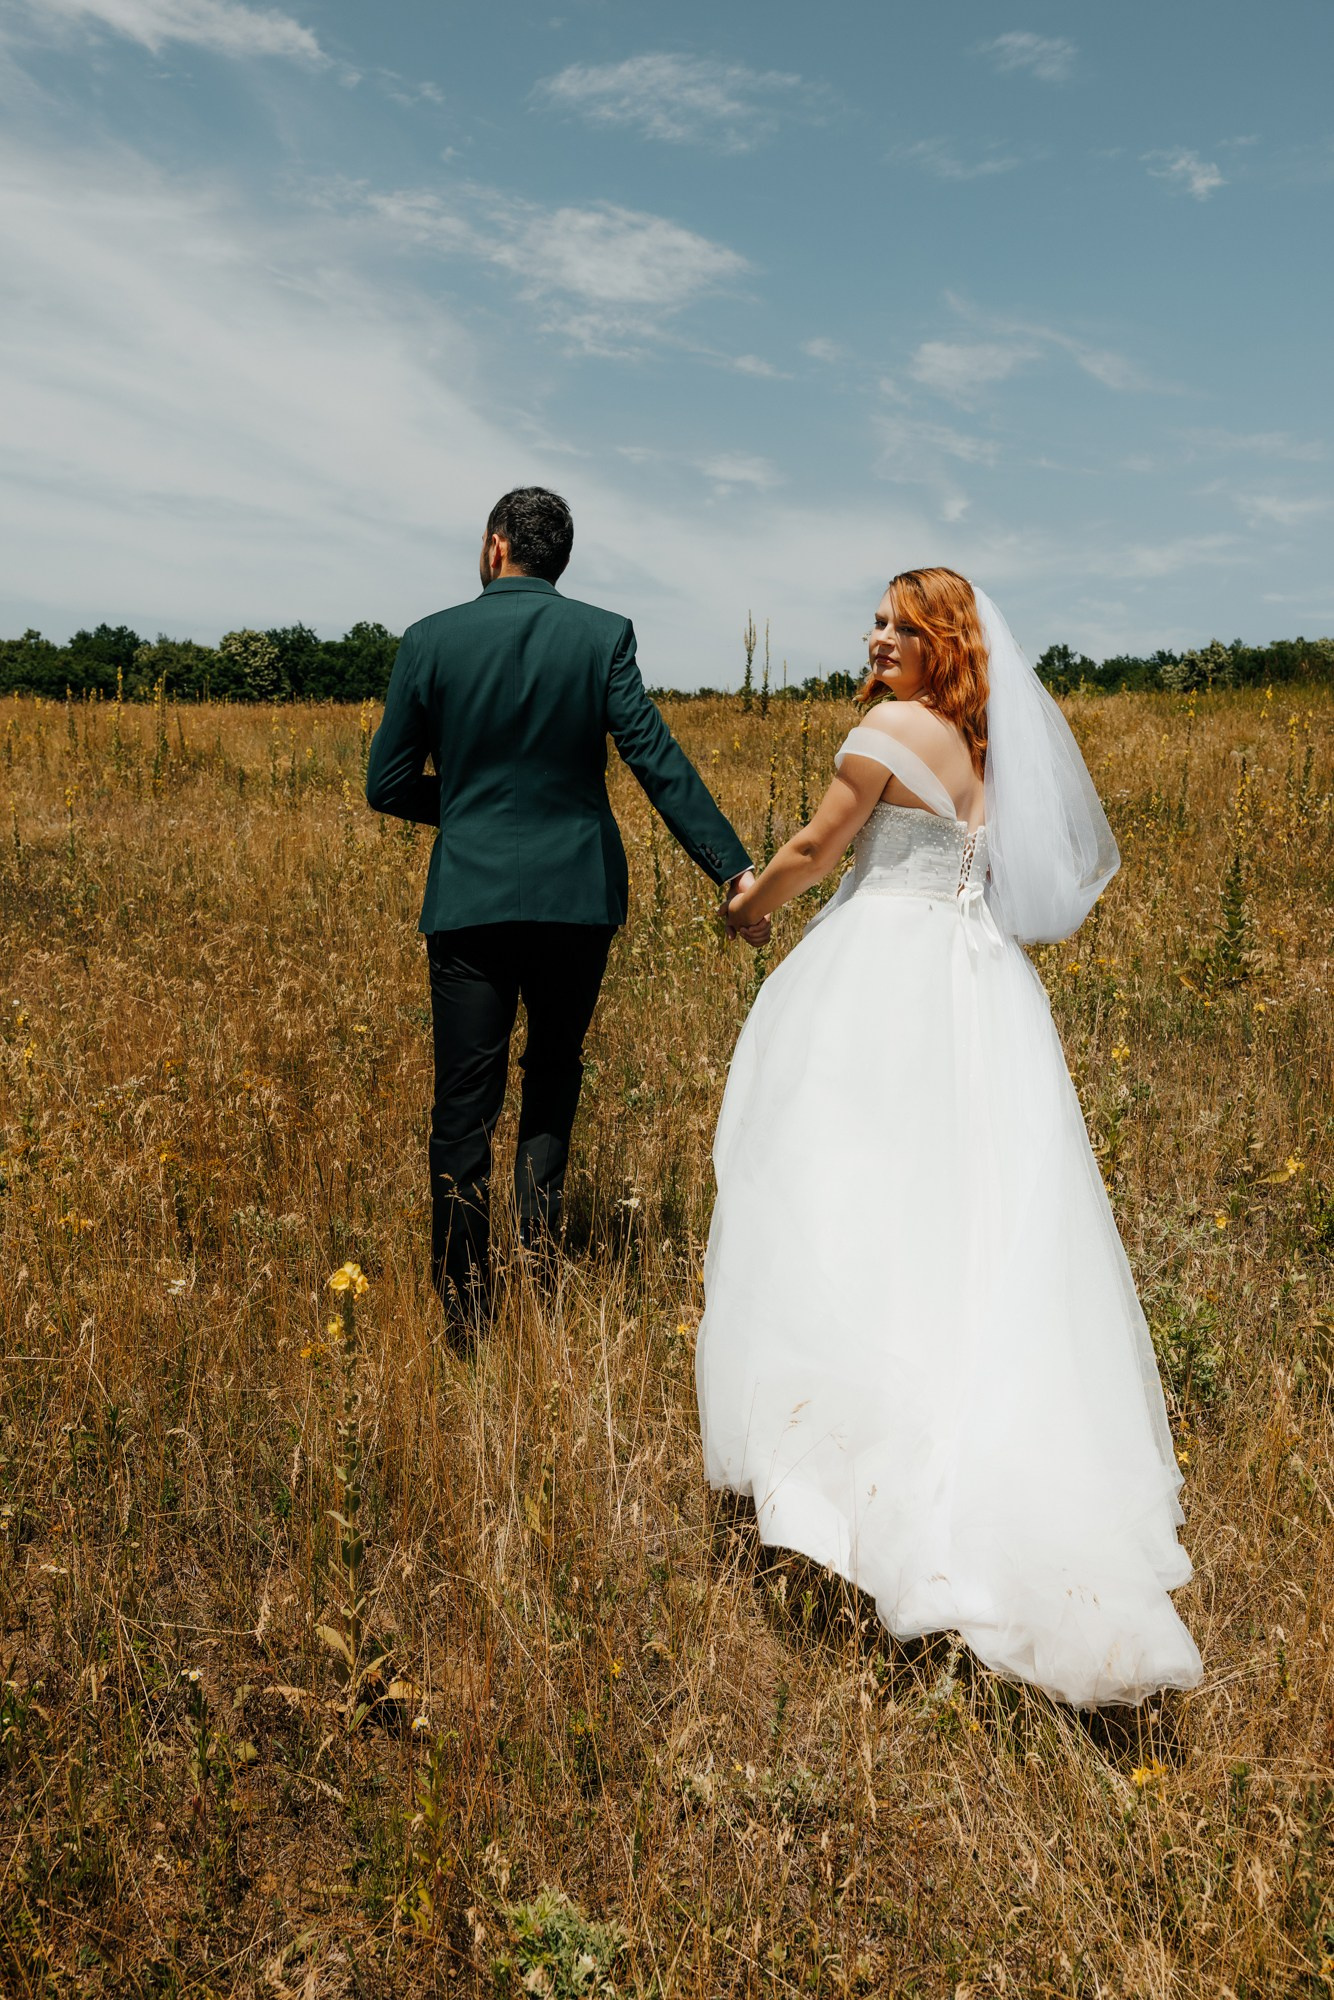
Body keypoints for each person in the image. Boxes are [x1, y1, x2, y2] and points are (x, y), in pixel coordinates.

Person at [700, 567, 1202, 1707]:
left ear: (941, 643)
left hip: (885, 980)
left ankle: (858, 1476)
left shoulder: (884, 729)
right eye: (875, 622)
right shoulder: (978, 748)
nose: (877, 638)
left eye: (901, 626)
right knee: (961, 1220)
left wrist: (748, 905)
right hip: (974, 988)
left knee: (842, 1205)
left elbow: (818, 848)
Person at [366, 486, 756, 1335]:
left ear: (495, 546)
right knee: (552, 1075)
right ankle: (538, 1277)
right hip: (577, 898)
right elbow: (656, 759)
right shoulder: (602, 634)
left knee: (461, 1106)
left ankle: (467, 1314)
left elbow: (386, 786)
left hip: (470, 902)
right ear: (555, 560)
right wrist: (731, 869)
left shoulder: (429, 640)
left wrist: (468, 809)